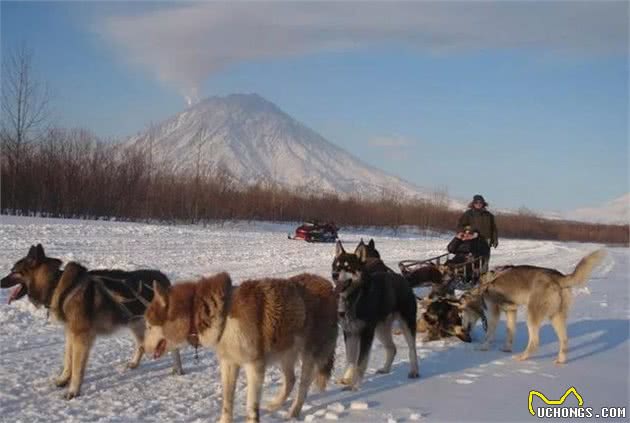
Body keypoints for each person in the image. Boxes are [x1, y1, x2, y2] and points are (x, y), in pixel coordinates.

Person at [457, 194, 498, 270]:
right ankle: (471, 276)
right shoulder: (468, 214)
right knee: (473, 260)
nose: (478, 204)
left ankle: (483, 276)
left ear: (483, 203)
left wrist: (495, 239)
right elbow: (460, 225)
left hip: (486, 240)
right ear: (473, 203)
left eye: (480, 202)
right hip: (472, 240)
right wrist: (465, 232)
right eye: (476, 202)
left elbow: (494, 229)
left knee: (485, 260)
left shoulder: (489, 215)